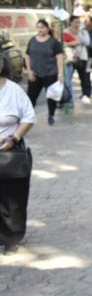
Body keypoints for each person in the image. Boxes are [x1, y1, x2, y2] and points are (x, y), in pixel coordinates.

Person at [0, 55, 36, 253]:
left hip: (11, 152)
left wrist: (13, 138)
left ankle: (12, 238)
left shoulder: (13, 90)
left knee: (13, 198)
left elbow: (29, 117)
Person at [25, 19, 64, 126]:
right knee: (30, 98)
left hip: (50, 73)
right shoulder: (32, 40)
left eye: (42, 27)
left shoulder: (54, 42)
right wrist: (29, 71)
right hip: (35, 74)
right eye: (38, 27)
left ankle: (51, 115)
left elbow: (59, 58)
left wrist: (60, 73)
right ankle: (26, 118)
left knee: (51, 97)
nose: (40, 30)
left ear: (47, 29)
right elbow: (27, 56)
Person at [62, 15, 91, 105]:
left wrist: (77, 34)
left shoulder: (83, 31)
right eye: (75, 22)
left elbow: (87, 42)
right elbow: (63, 43)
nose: (77, 24)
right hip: (69, 58)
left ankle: (86, 95)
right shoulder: (65, 31)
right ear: (71, 22)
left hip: (82, 57)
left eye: (79, 22)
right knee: (68, 79)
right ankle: (69, 100)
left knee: (84, 77)